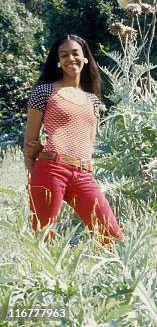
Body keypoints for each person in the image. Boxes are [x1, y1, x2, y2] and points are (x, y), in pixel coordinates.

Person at [23, 35, 123, 244]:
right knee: (43, 239)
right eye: (64, 55)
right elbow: (30, 142)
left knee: (110, 236)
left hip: (83, 173)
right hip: (51, 168)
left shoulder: (93, 100)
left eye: (75, 53)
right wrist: (34, 173)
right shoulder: (44, 92)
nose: (71, 59)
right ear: (58, 61)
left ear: (85, 57)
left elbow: (89, 142)